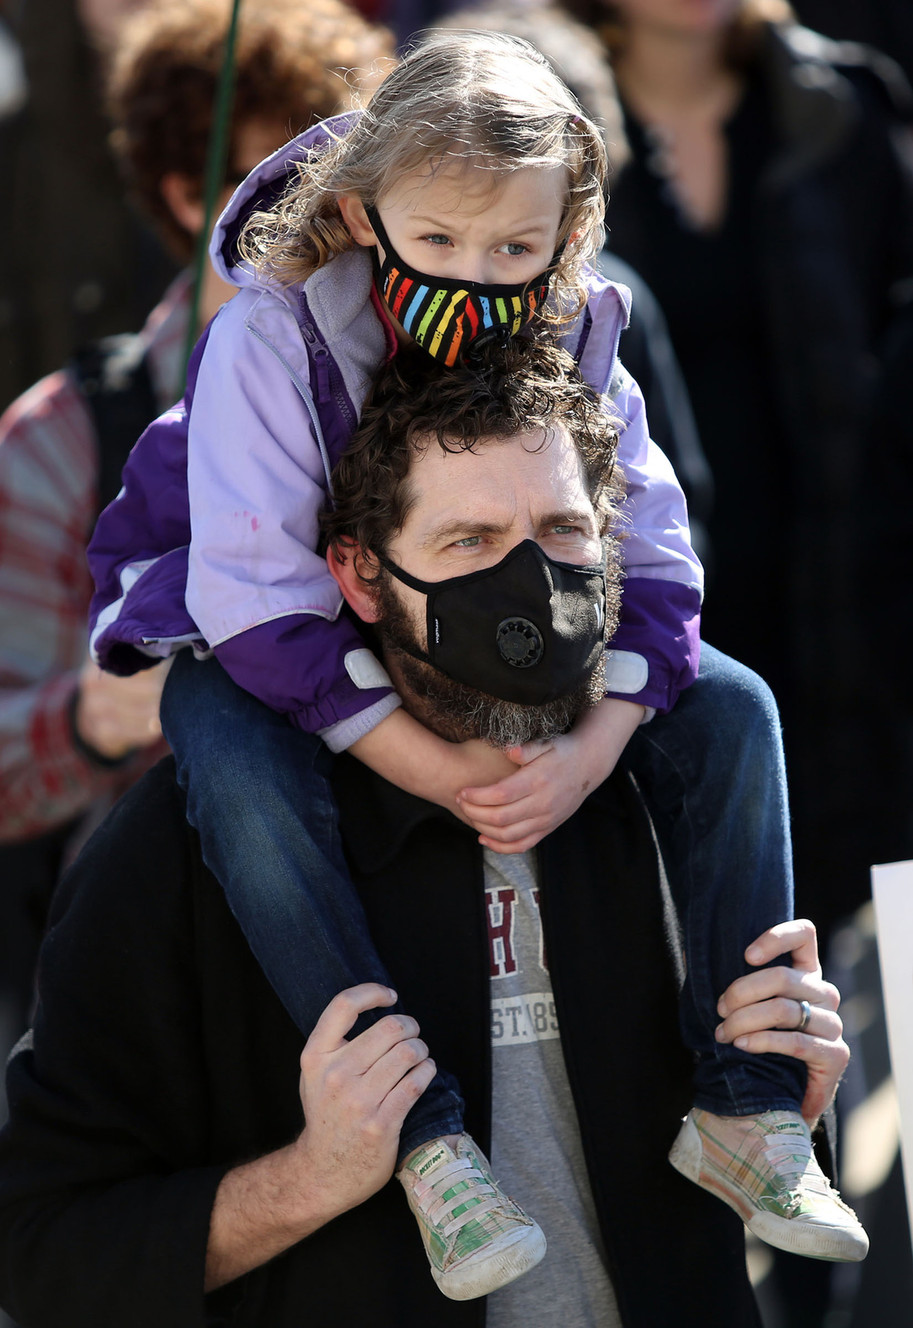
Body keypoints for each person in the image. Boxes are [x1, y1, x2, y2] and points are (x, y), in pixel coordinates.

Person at [87, 29, 866, 1286]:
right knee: (230, 755)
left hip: (490, 584)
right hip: (263, 606)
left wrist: (590, 747)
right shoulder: (273, 331)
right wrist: (431, 767)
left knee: (736, 706)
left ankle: (749, 1103)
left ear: (568, 225)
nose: (476, 273)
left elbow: (658, 560)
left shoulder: (582, 313)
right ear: (361, 207)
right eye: (436, 242)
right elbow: (262, 597)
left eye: (515, 246)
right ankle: (427, 1138)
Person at [0, 344, 856, 1326]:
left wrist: (789, 1097)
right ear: (360, 576)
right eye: (470, 541)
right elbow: (39, 1246)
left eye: (563, 530)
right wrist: (315, 1175)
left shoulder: (682, 790)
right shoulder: (201, 841)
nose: (527, 582)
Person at [0, 0, 394, 1032]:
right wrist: (88, 716)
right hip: (171, 972)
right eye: (285, 178)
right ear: (185, 194)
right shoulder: (59, 437)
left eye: (353, 180)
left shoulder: (427, 386)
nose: (334, 214)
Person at [551, 0, 913, 940]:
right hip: (650, 585)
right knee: (697, 917)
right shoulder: (539, 122)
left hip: (852, 582)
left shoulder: (837, 105)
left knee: (865, 901)